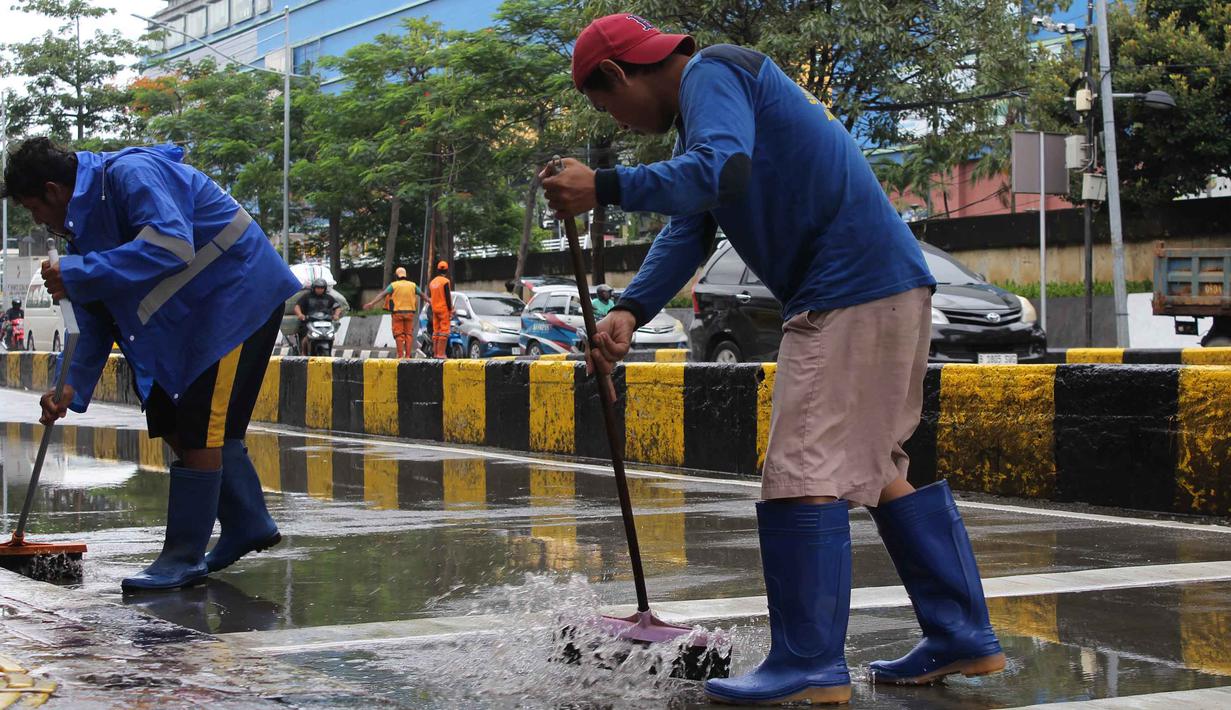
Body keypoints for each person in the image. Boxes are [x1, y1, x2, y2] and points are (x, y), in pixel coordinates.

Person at [542, 14, 1004, 705]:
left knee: (800, 469)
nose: (618, 120)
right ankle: (961, 634)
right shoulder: (712, 100)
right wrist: (630, 310)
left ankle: (808, 663)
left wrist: (603, 186)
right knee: (875, 469)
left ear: (615, 72)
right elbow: (694, 218)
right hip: (882, 284)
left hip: (846, 290)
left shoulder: (713, 73)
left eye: (606, 104)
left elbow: (717, 167)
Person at [4, 137, 300, 593]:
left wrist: (79, 273)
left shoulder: (130, 174)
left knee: (201, 425)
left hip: (233, 299)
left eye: (32, 209)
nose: (37, 221)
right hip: (189, 321)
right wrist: (71, 387)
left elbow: (170, 244)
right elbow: (98, 317)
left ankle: (181, 556)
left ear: (53, 190)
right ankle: (247, 523)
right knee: (171, 418)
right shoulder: (82, 226)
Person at [363, 267, 422, 359]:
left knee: (399, 335)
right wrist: (430, 301)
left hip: (397, 313)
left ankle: (400, 355)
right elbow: (422, 295)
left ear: (397, 276)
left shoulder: (393, 285)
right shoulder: (413, 285)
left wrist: (371, 303)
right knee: (408, 335)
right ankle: (408, 356)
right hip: (410, 314)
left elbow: (382, 294)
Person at [294, 278, 343, 355]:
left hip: (325, 322)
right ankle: (303, 353)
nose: (320, 290)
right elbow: (297, 306)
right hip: (309, 321)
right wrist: (300, 315)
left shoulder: (329, 298)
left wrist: (336, 315)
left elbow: (337, 307)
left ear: (325, 288)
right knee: (305, 337)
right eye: (318, 288)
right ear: (314, 288)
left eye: (322, 288)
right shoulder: (307, 297)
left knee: (331, 336)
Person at [428, 260, 453, 359]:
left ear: (437, 270)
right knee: (444, 331)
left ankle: (435, 353)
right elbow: (448, 297)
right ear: (447, 270)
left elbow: (432, 296)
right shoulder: (445, 281)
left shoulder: (432, 282)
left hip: (434, 310)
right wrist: (450, 310)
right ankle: (441, 354)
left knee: (436, 332)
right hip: (443, 309)